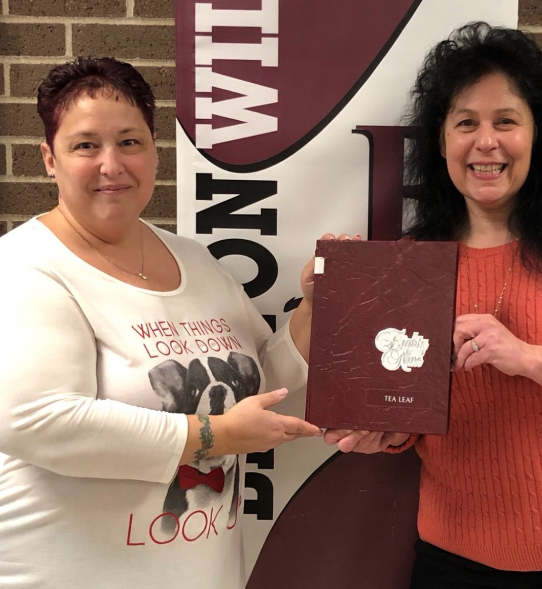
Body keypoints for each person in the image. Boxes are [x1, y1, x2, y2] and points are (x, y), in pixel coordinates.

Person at [0, 57, 322, 589]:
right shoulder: (26, 265)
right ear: (49, 160)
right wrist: (214, 435)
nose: (111, 164)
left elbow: (265, 382)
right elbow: (32, 419)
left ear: (154, 151)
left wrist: (314, 311)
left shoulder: (197, 263)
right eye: (85, 145)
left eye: (130, 142)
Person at [325, 22, 542, 588]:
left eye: (506, 120)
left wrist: (532, 358)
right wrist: (381, 430)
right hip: (454, 562)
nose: (486, 142)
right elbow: (409, 410)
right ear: (441, 141)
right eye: (465, 124)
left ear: (538, 134)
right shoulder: (411, 264)